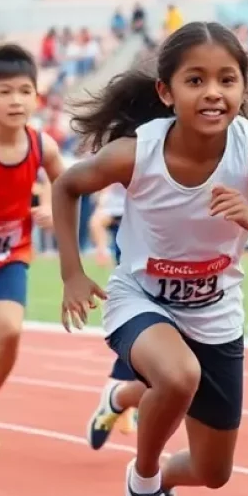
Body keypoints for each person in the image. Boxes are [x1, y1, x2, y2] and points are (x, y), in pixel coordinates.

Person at [54, 22, 248, 496]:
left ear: (242, 87)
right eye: (195, 80)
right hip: (141, 300)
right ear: (166, 92)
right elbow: (67, 186)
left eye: (227, 80)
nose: (213, 92)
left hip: (216, 312)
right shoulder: (138, 153)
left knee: (213, 470)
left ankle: (157, 472)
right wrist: (72, 275)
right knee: (179, 376)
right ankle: (144, 481)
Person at [0, 44, 62, 451]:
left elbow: (68, 184)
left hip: (8, 253)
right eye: (4, 92)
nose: (16, 100)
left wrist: (57, 211)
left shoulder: (43, 146)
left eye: (25, 91)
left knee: (10, 330)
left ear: (36, 97)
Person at [89, 181, 139, 440]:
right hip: (137, 284)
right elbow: (98, 219)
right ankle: (119, 398)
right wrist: (101, 249)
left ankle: (122, 400)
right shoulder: (118, 196)